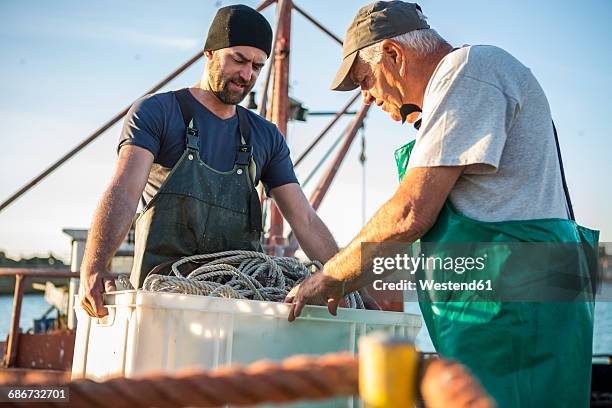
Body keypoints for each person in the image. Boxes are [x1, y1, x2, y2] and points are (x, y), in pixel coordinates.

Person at [285, 2, 598, 407]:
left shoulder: (468, 70)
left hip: (515, 321)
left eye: (365, 80)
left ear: (394, 56)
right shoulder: (462, 87)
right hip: (505, 319)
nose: (365, 98)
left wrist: (328, 278)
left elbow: (409, 214)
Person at [79, 4, 362, 318]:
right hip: (162, 300)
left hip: (241, 303)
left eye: (257, 66)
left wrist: (348, 283)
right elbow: (124, 191)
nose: (247, 75)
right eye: (238, 59)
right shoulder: (156, 112)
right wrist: (95, 266)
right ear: (209, 53)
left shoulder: (265, 137)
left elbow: (305, 221)